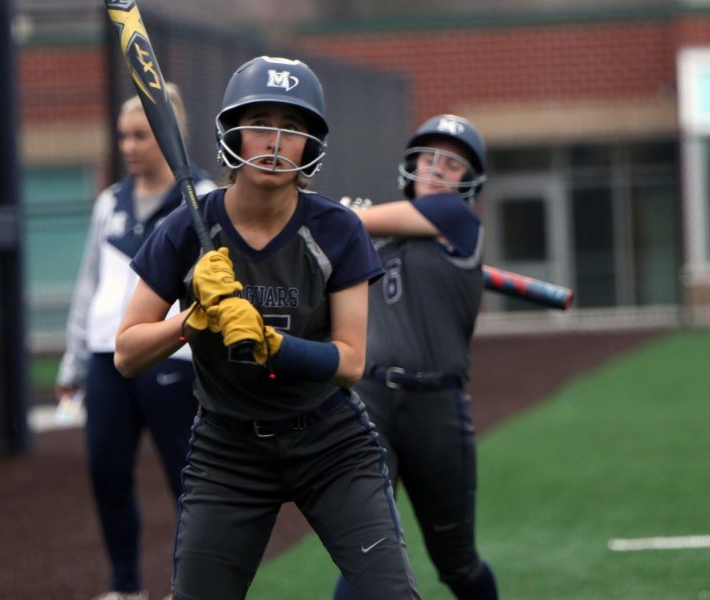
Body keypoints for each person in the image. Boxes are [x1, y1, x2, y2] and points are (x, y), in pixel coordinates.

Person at [114, 56, 422, 599]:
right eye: (260, 124)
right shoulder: (187, 228)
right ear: (233, 133)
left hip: (329, 441)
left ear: (310, 145)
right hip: (227, 449)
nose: (275, 141)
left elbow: (350, 362)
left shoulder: (339, 230)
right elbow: (127, 352)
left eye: (293, 128)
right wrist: (191, 324)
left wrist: (271, 343)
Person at [55, 84, 216, 600]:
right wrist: (73, 362)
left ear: (169, 136)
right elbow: (89, 285)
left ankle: (188, 588)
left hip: (176, 355)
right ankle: (125, 587)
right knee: (105, 469)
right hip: (109, 356)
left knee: (186, 480)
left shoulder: (205, 199)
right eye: (123, 135)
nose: (129, 146)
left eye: (141, 135)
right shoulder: (110, 202)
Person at [332, 114, 499, 600]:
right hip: (370, 401)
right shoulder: (369, 235)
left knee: (458, 564)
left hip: (437, 407)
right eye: (430, 158)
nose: (437, 169)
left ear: (469, 181)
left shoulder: (458, 219)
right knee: (366, 552)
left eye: (453, 164)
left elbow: (351, 220)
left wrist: (342, 215)